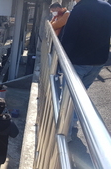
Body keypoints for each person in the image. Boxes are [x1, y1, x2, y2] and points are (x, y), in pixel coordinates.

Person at [61, 0, 111, 141]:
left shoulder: (80, 9)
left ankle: (66, 133)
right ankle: (74, 122)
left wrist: (62, 58)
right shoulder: (107, 7)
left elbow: (69, 36)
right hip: (99, 61)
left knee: (69, 96)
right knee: (82, 93)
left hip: (78, 61)